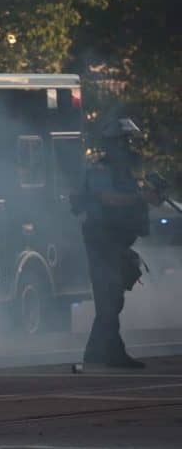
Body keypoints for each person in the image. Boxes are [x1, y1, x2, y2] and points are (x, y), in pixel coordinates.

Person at [77, 118, 162, 368]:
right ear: (115, 143)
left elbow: (141, 201)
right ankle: (103, 353)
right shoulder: (100, 170)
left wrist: (153, 196)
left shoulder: (126, 172)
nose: (130, 146)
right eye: (126, 141)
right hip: (102, 241)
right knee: (109, 299)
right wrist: (139, 197)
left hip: (116, 241)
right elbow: (108, 198)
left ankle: (103, 352)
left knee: (113, 299)